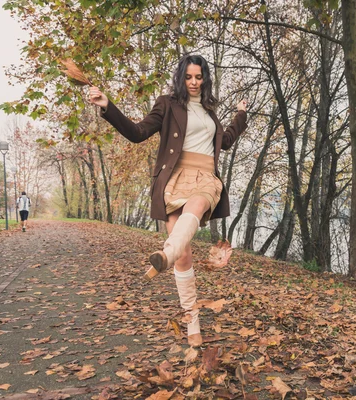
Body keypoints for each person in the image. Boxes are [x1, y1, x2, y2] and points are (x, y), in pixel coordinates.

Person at [89, 54, 248, 347]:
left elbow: (224, 141)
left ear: (205, 78)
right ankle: (192, 321)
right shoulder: (167, 104)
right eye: (188, 77)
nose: (194, 82)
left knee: (198, 205)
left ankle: (165, 255)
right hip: (175, 178)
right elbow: (138, 133)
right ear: (181, 78)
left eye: (199, 77)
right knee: (184, 256)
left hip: (204, 177)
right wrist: (108, 107)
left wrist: (241, 115)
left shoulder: (210, 112)